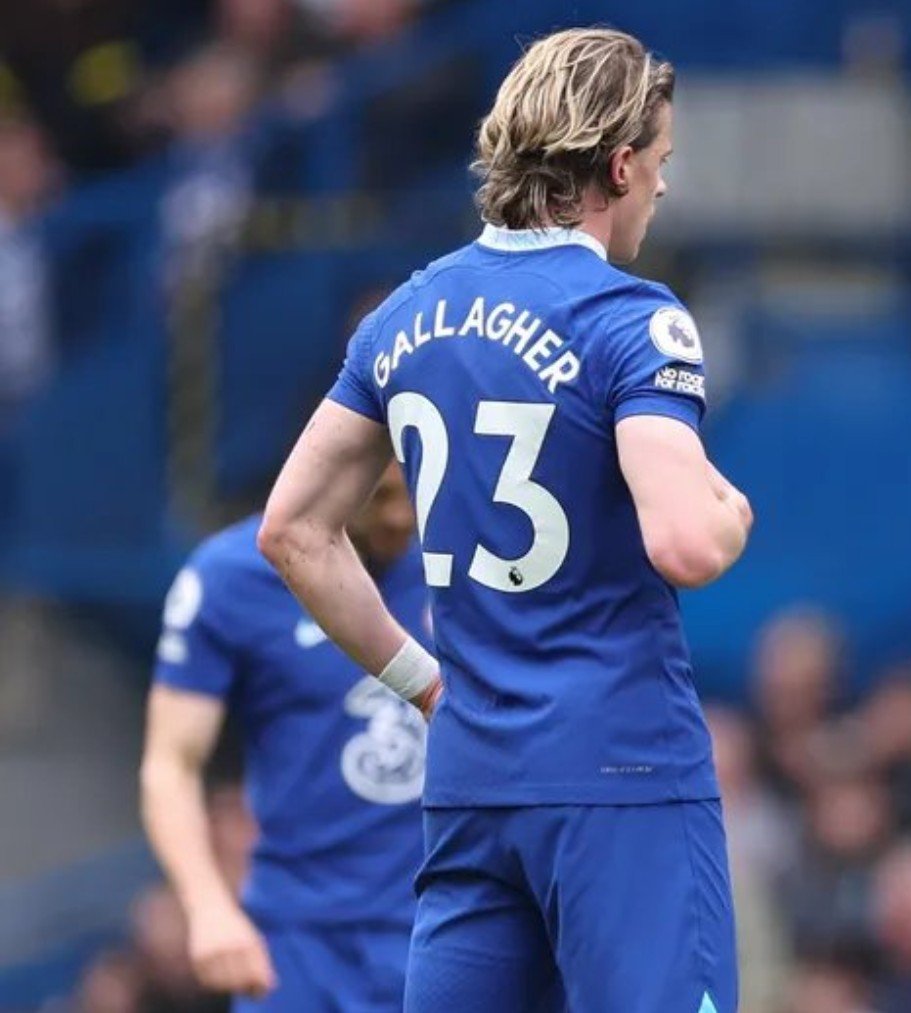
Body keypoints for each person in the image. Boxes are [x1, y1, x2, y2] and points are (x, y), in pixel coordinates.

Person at [256, 27, 753, 1013]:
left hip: (472, 775)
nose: (661, 188)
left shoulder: (405, 313)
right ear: (619, 166)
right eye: (660, 164)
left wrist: (426, 684)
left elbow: (292, 529)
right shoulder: (631, 318)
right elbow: (687, 542)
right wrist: (733, 504)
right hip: (621, 775)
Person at [140, 463, 427, 1010]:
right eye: (380, 495)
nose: (400, 516)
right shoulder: (231, 578)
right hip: (297, 940)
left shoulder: (468, 564)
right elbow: (169, 764)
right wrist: (208, 909)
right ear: (326, 475)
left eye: (412, 492)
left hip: (444, 922)